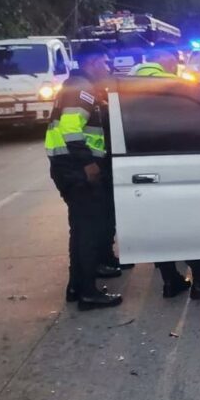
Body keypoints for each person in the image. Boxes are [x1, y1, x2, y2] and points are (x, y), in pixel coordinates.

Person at [130, 47, 200, 300]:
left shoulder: (126, 85)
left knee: (160, 228)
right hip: (175, 164)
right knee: (193, 225)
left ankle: (171, 281)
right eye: (172, 61)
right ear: (165, 60)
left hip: (139, 167)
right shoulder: (173, 84)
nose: (174, 66)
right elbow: (194, 123)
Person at [44, 41, 123, 310]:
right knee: (88, 231)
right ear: (91, 62)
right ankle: (88, 293)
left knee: (80, 230)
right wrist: (88, 165)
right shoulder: (82, 89)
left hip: (67, 168)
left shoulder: (76, 86)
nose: (107, 67)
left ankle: (77, 286)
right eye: (104, 62)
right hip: (76, 169)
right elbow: (70, 129)